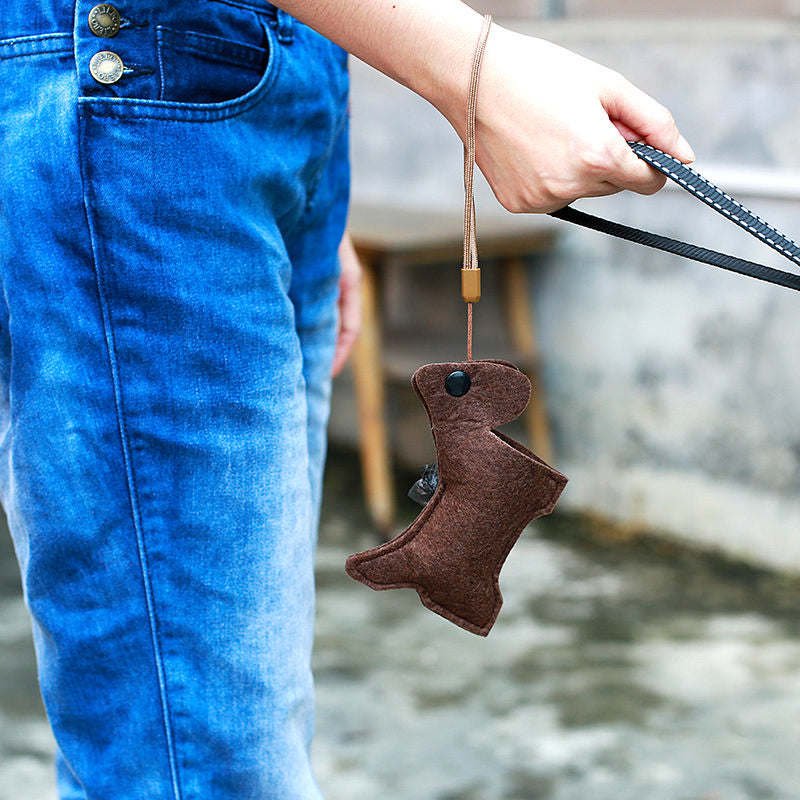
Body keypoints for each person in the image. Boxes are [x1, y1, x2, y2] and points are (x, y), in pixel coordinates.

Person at [0, 0, 693, 797]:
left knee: (241, 708)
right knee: (201, 751)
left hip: (246, 115)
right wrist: (474, 66)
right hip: (136, 108)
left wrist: (298, 191)